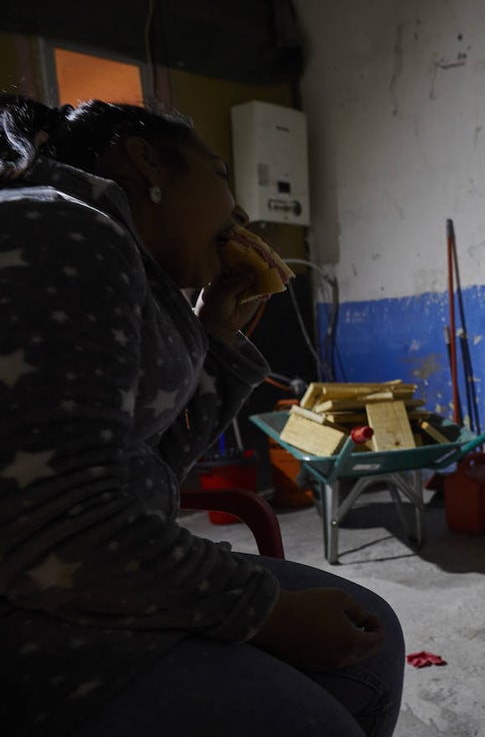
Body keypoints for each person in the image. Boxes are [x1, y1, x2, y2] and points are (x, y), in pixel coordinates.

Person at [0, 97, 405, 737]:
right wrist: (266, 613)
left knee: (371, 637)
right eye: (219, 174)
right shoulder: (61, 229)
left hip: (83, 573)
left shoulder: (123, 262)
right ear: (145, 163)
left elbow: (151, 470)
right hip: (36, 616)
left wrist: (212, 334)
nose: (239, 214)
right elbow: (58, 522)